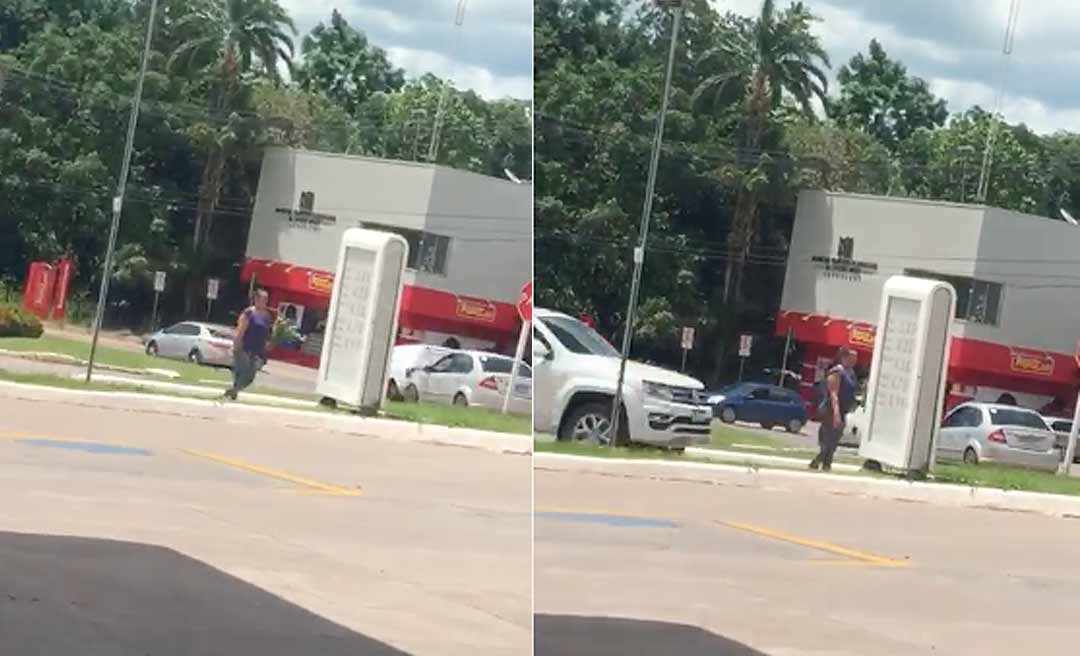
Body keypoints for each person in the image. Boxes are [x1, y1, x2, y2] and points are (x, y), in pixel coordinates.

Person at [810, 346, 859, 472]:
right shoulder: (837, 372)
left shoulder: (851, 373)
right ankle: (821, 462)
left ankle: (824, 463)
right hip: (830, 409)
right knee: (828, 439)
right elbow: (833, 394)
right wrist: (836, 414)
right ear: (843, 358)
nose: (854, 360)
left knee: (835, 438)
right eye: (852, 358)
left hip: (843, 409)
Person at [224, 289, 273, 401]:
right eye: (262, 299)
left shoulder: (267, 316)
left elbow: (267, 333)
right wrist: (237, 345)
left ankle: (233, 391)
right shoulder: (249, 313)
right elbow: (240, 330)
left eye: (266, 299)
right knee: (244, 370)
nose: (265, 302)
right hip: (244, 347)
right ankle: (234, 391)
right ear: (256, 299)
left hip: (257, 350)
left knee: (251, 376)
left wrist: (268, 343)